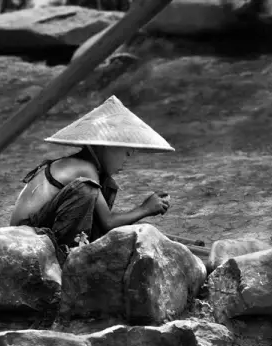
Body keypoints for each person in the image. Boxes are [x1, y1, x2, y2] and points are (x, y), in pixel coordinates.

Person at [10, 95, 174, 261]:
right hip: (26, 236)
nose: (130, 154)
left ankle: (81, 248)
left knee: (106, 186)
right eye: (125, 149)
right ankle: (69, 257)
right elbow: (108, 222)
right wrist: (145, 209)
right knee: (86, 190)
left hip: (34, 231)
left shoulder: (88, 169)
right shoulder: (85, 169)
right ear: (104, 146)